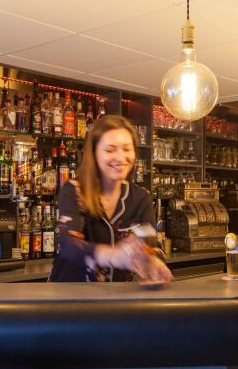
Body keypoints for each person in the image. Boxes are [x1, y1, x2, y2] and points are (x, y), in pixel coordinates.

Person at [49, 115, 172, 283]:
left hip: (116, 296)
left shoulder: (141, 198)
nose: (120, 158)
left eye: (127, 149)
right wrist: (114, 255)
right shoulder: (74, 190)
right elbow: (68, 244)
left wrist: (153, 262)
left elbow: (150, 244)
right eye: (110, 150)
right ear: (94, 154)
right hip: (70, 294)